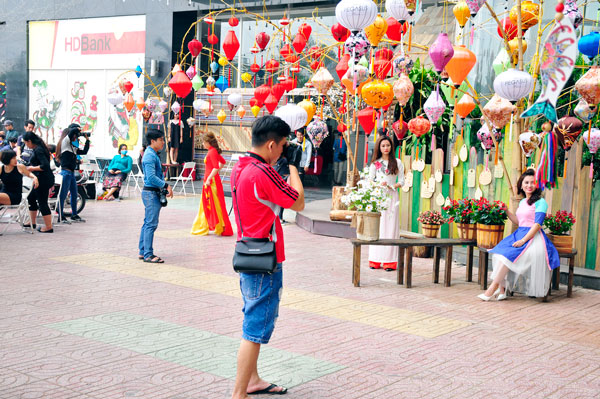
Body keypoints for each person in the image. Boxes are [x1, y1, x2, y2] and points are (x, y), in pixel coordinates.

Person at [230, 115, 304, 399]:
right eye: (283, 146)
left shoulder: (240, 167)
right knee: (254, 329)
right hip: (265, 259)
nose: (284, 151)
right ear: (271, 144)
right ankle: (239, 393)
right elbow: (298, 201)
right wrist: (294, 167)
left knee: (252, 318)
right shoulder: (263, 172)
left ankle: (253, 380)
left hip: (248, 251)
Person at [478, 169, 560, 301]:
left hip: (533, 237)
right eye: (526, 182)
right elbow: (519, 222)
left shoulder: (541, 202)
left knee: (508, 256)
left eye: (533, 182)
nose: (529, 185)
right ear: (521, 185)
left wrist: (523, 241)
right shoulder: (522, 202)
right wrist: (507, 212)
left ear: (537, 185)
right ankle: (502, 290)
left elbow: (537, 225)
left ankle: (492, 289)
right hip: (520, 233)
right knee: (500, 253)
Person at [368, 135, 404, 271]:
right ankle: (375, 259)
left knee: (391, 227)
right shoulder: (375, 163)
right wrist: (378, 184)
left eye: (388, 145)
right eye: (383, 146)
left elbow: (402, 181)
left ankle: (390, 262)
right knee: (377, 227)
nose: (385, 148)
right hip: (378, 197)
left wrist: (393, 186)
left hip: (392, 197)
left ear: (391, 147)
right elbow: (370, 179)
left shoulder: (397, 162)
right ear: (379, 147)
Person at [138, 129, 173, 263]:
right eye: (161, 140)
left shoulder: (152, 154)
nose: (163, 142)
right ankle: (148, 254)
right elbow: (151, 177)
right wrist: (165, 185)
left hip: (151, 193)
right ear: (153, 141)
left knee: (148, 223)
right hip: (150, 193)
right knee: (151, 224)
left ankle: (143, 251)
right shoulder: (149, 156)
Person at [191, 132, 233, 236]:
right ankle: (219, 226)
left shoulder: (211, 152)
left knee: (209, 203)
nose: (203, 144)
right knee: (215, 203)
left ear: (208, 142)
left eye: (204, 142)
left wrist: (209, 178)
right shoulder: (213, 151)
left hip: (211, 182)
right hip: (212, 180)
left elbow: (216, 167)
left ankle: (206, 226)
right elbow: (222, 163)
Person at [55, 125, 89, 223]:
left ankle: (74, 214)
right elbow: (71, 132)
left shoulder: (72, 147)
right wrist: (78, 129)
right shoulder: (65, 143)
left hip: (71, 174)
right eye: (75, 135)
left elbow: (84, 151)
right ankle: (60, 216)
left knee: (74, 194)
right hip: (65, 173)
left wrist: (87, 140)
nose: (76, 137)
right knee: (63, 195)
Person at [22, 132, 54, 233]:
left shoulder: (39, 149)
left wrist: (31, 168)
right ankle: (32, 221)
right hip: (42, 178)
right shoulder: (39, 147)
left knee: (42, 202)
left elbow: (45, 165)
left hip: (43, 179)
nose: (26, 145)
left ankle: (49, 227)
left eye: (26, 143)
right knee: (31, 197)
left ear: (29, 141)